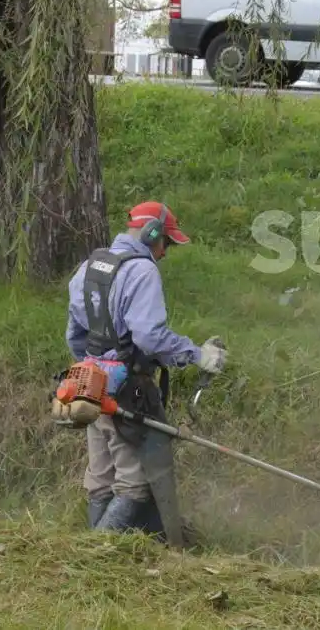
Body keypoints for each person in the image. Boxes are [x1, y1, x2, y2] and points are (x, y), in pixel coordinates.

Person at [56, 201, 227, 547]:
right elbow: (149, 336)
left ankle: (95, 546)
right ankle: (94, 553)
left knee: (101, 479)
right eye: (167, 243)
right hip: (129, 389)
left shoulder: (88, 266)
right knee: (134, 484)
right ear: (152, 234)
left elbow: (74, 335)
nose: (165, 252)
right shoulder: (142, 272)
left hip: (88, 386)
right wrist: (197, 355)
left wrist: (95, 367)